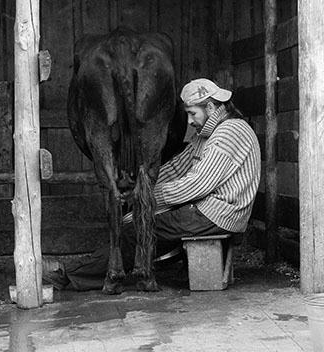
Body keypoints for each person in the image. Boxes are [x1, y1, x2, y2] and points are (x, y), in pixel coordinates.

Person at [43, 78, 261, 291]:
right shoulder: (206, 135)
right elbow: (177, 167)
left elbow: (197, 184)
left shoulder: (229, 133)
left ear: (211, 107)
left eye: (192, 113)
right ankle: (89, 272)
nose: (189, 121)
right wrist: (143, 184)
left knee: (138, 231)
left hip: (218, 213)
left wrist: (149, 198)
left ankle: (70, 276)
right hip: (206, 209)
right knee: (135, 223)